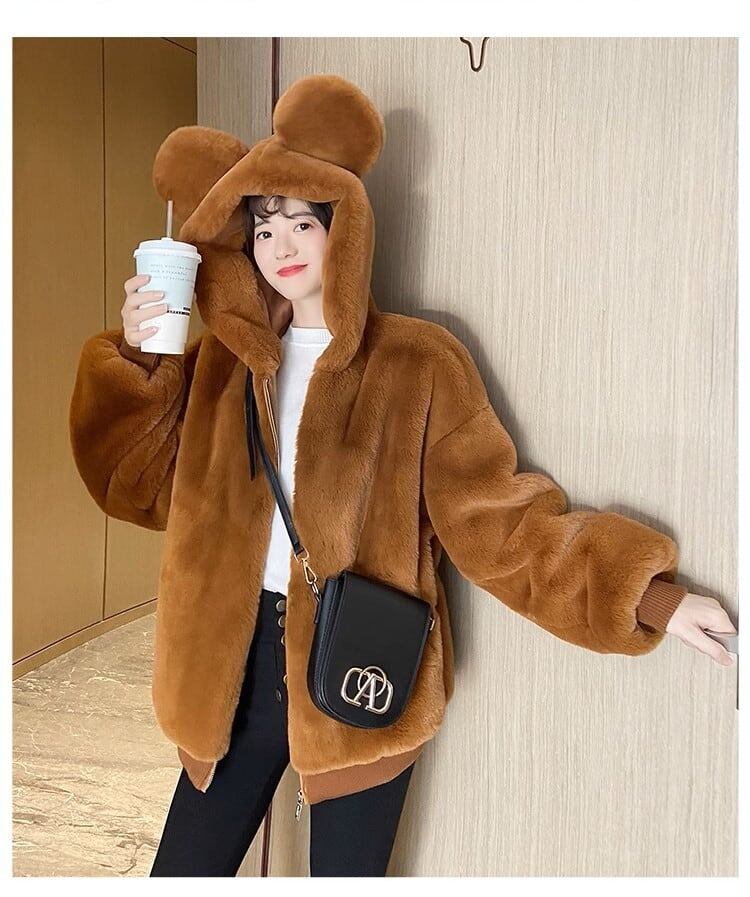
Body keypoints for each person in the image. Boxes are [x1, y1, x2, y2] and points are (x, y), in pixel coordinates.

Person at [69, 74, 736, 878]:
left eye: (303, 221)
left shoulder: (418, 363)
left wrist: (650, 596)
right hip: (224, 676)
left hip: (359, 677)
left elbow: (499, 524)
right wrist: (141, 360)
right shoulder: (221, 366)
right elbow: (138, 487)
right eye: (264, 227)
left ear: (342, 226)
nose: (282, 245)